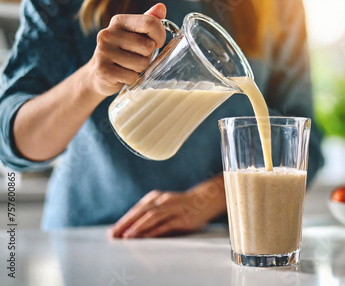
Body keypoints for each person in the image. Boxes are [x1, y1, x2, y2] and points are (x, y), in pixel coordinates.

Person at [0, 0, 323, 238]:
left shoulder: (279, 6)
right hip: (92, 238)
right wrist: (90, 81)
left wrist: (202, 201)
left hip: (217, 244)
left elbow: (302, 140)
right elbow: (14, 143)